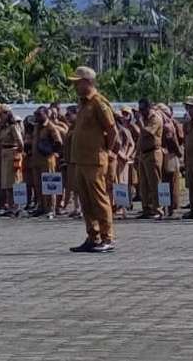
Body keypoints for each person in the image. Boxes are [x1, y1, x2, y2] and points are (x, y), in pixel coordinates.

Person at [68, 66, 118, 253]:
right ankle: (93, 236)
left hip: (95, 161)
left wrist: (109, 151)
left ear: (88, 82)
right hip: (81, 160)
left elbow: (113, 130)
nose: (75, 86)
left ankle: (107, 238)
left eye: (77, 82)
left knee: (99, 199)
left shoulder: (99, 103)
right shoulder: (83, 103)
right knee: (86, 201)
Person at [31, 106, 62, 217]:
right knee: (38, 185)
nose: (37, 117)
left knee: (49, 184)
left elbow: (58, 142)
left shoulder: (50, 127)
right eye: (36, 114)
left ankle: (50, 208)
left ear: (46, 114)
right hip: (36, 160)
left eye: (39, 114)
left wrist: (49, 151)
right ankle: (41, 207)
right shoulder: (36, 127)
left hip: (47, 160)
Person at [136, 98, 164, 219]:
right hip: (143, 154)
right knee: (144, 183)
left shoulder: (155, 119)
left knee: (154, 182)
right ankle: (146, 208)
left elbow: (148, 133)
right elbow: (141, 138)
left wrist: (140, 123)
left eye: (142, 109)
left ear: (149, 108)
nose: (141, 112)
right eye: (139, 109)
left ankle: (158, 209)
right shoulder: (144, 119)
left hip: (153, 153)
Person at [0, 108, 24, 214]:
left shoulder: (13, 127)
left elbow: (20, 142)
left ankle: (16, 206)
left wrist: (18, 154)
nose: (0, 117)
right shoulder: (3, 128)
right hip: (4, 153)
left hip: (13, 152)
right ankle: (10, 205)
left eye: (2, 115)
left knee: (14, 181)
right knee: (6, 182)